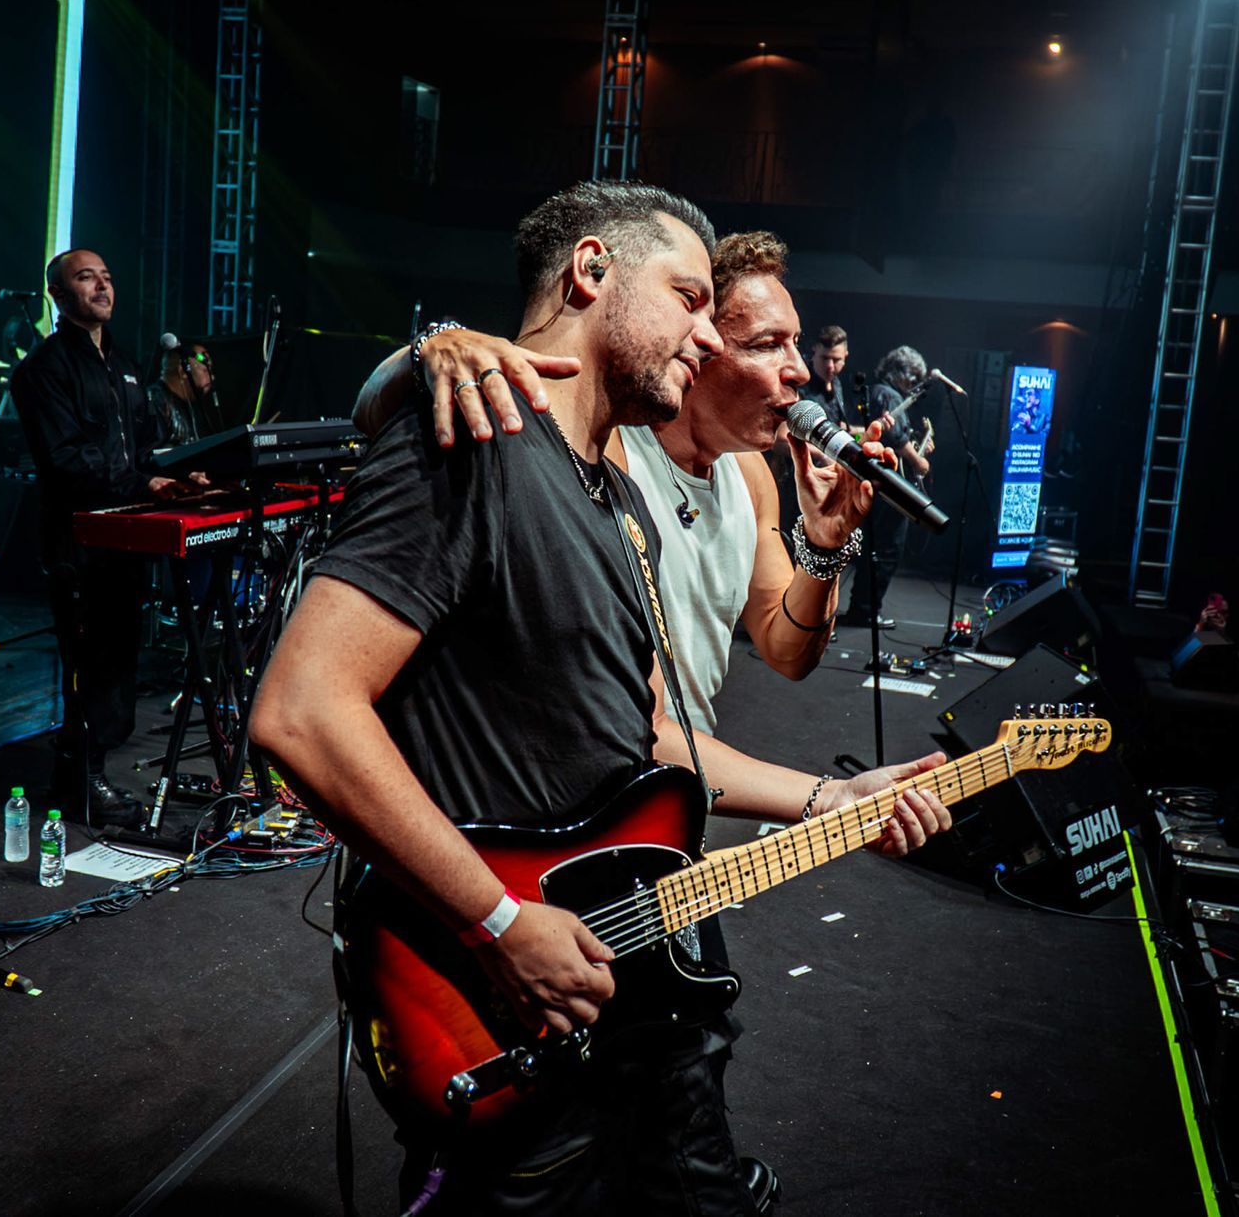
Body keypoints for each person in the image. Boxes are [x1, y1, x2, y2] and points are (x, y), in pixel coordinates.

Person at [252, 181, 949, 1214]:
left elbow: (651, 736)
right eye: (690, 299)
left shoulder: (617, 500)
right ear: (591, 271)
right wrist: (498, 922)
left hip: (616, 952)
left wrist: (831, 798)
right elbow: (301, 712)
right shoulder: (480, 434)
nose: (706, 334)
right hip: (494, 991)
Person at [353, 230, 896, 732]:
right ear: (701, 344)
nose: (799, 369)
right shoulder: (607, 446)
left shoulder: (750, 475)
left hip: (684, 780)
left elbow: (786, 650)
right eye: (767, 344)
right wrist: (432, 345)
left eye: (796, 342)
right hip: (605, 766)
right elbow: (370, 411)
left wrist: (824, 545)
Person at [10, 249, 202, 826]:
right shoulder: (43, 370)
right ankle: (80, 783)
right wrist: (145, 482)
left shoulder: (123, 363)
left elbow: (140, 448)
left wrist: (179, 474)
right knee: (89, 662)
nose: (102, 286)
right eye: (86, 277)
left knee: (119, 659)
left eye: (107, 277)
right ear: (58, 294)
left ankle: (85, 774)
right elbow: (68, 460)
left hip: (126, 536)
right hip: (78, 542)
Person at [844, 345, 932, 630]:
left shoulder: (884, 393)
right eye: (912, 375)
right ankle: (866, 611)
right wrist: (918, 460)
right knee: (887, 548)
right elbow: (895, 436)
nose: (914, 382)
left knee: (881, 548)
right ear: (899, 372)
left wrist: (920, 447)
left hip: (883, 482)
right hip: (887, 485)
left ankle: (865, 608)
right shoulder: (888, 394)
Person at [147, 338, 218, 447]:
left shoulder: (190, 406)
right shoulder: (155, 400)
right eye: (205, 370)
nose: (212, 377)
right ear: (183, 370)